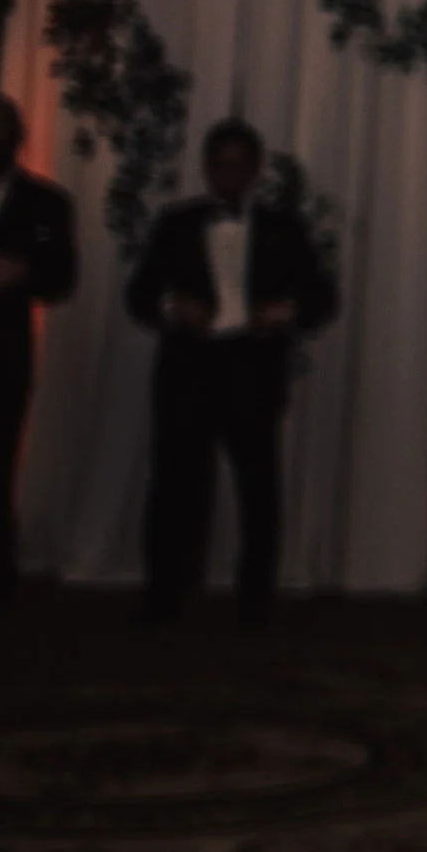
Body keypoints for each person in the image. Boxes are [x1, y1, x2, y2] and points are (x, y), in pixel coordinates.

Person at [126, 118, 336, 628]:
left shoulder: (283, 227)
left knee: (258, 488)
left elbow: (322, 298)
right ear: (207, 167)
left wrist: (282, 312)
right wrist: (175, 305)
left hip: (252, 368)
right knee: (174, 485)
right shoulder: (176, 223)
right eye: (221, 163)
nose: (230, 173)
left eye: (240, 164)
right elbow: (139, 295)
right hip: (187, 369)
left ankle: (255, 603)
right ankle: (163, 595)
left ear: (255, 169)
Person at [0, 95, 76, 605]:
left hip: (3, 353)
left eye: (2, 126)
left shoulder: (47, 202)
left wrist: (26, 272)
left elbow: (64, 279)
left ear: (19, 135)